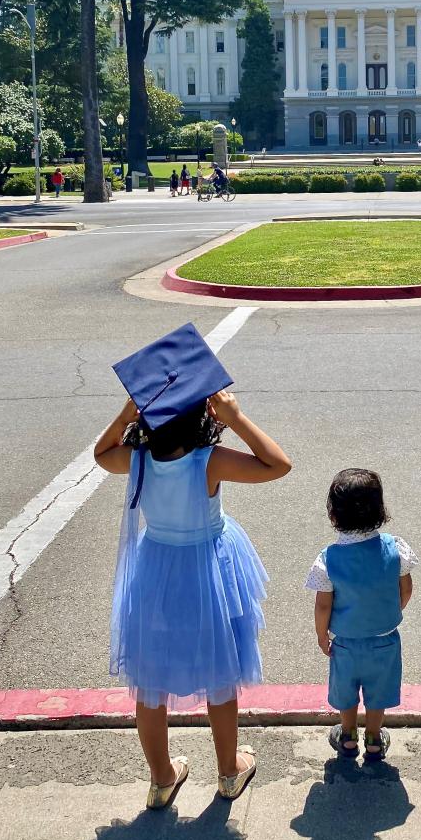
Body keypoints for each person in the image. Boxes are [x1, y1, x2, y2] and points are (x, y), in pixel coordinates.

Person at [95, 325, 292, 809]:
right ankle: (229, 772)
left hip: (156, 572)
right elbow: (277, 464)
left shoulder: (137, 459)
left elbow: (100, 454)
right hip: (209, 573)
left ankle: (162, 779)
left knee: (152, 680)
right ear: (202, 414)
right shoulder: (209, 460)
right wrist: (238, 418)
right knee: (220, 673)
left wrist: (128, 410)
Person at [306, 469, 417, 760]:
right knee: (377, 692)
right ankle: (374, 738)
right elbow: (405, 588)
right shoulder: (395, 549)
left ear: (334, 515)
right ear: (380, 510)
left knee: (346, 690)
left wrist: (321, 635)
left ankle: (348, 736)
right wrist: (391, 610)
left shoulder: (329, 559)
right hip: (385, 639)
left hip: (345, 642)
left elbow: (323, 606)